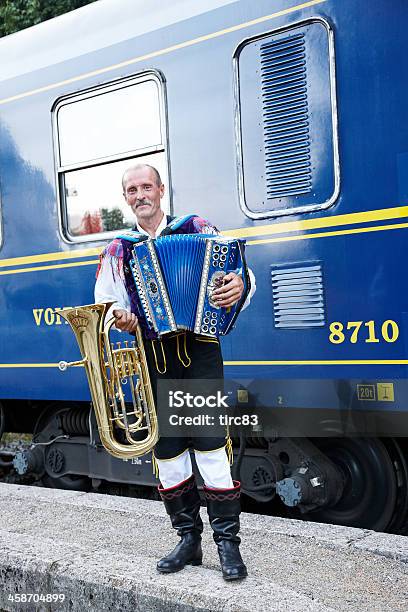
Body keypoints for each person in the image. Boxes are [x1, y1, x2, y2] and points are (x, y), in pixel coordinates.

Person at [95, 164, 256, 581]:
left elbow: (241, 274)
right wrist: (122, 318)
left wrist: (240, 285)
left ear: (161, 190)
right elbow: (107, 302)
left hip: (201, 352)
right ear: (126, 198)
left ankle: (228, 545)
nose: (140, 194)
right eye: (131, 190)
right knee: (167, 451)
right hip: (154, 358)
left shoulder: (196, 228)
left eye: (146, 186)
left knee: (209, 446)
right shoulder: (120, 248)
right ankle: (189, 540)